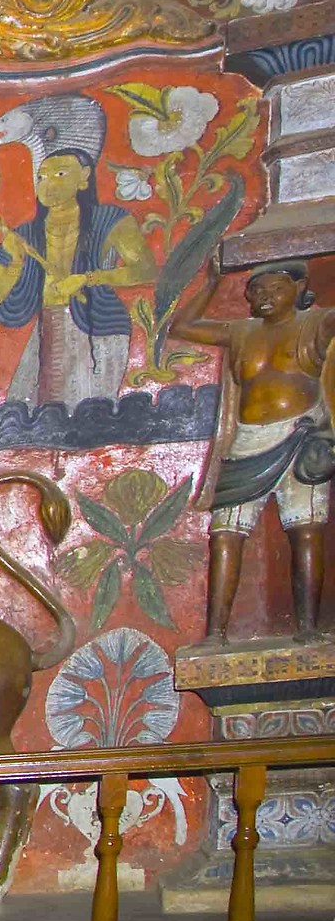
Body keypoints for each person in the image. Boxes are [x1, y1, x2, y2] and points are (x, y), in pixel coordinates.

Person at [169, 258, 335, 644]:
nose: (265, 296)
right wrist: (211, 283)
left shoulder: (314, 323)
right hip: (246, 443)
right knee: (225, 533)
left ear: (298, 288)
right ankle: (216, 633)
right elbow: (182, 327)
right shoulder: (242, 331)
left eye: (276, 288)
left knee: (305, 529)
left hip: (300, 435)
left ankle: (308, 627)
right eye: (256, 291)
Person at [0, 96, 154, 412]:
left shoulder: (110, 220)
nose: (47, 184)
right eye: (41, 176)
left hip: (97, 329)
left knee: (89, 415)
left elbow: (144, 270)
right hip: (45, 327)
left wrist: (86, 279)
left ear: (85, 176)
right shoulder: (23, 235)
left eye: (59, 174)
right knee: (25, 412)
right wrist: (15, 263)